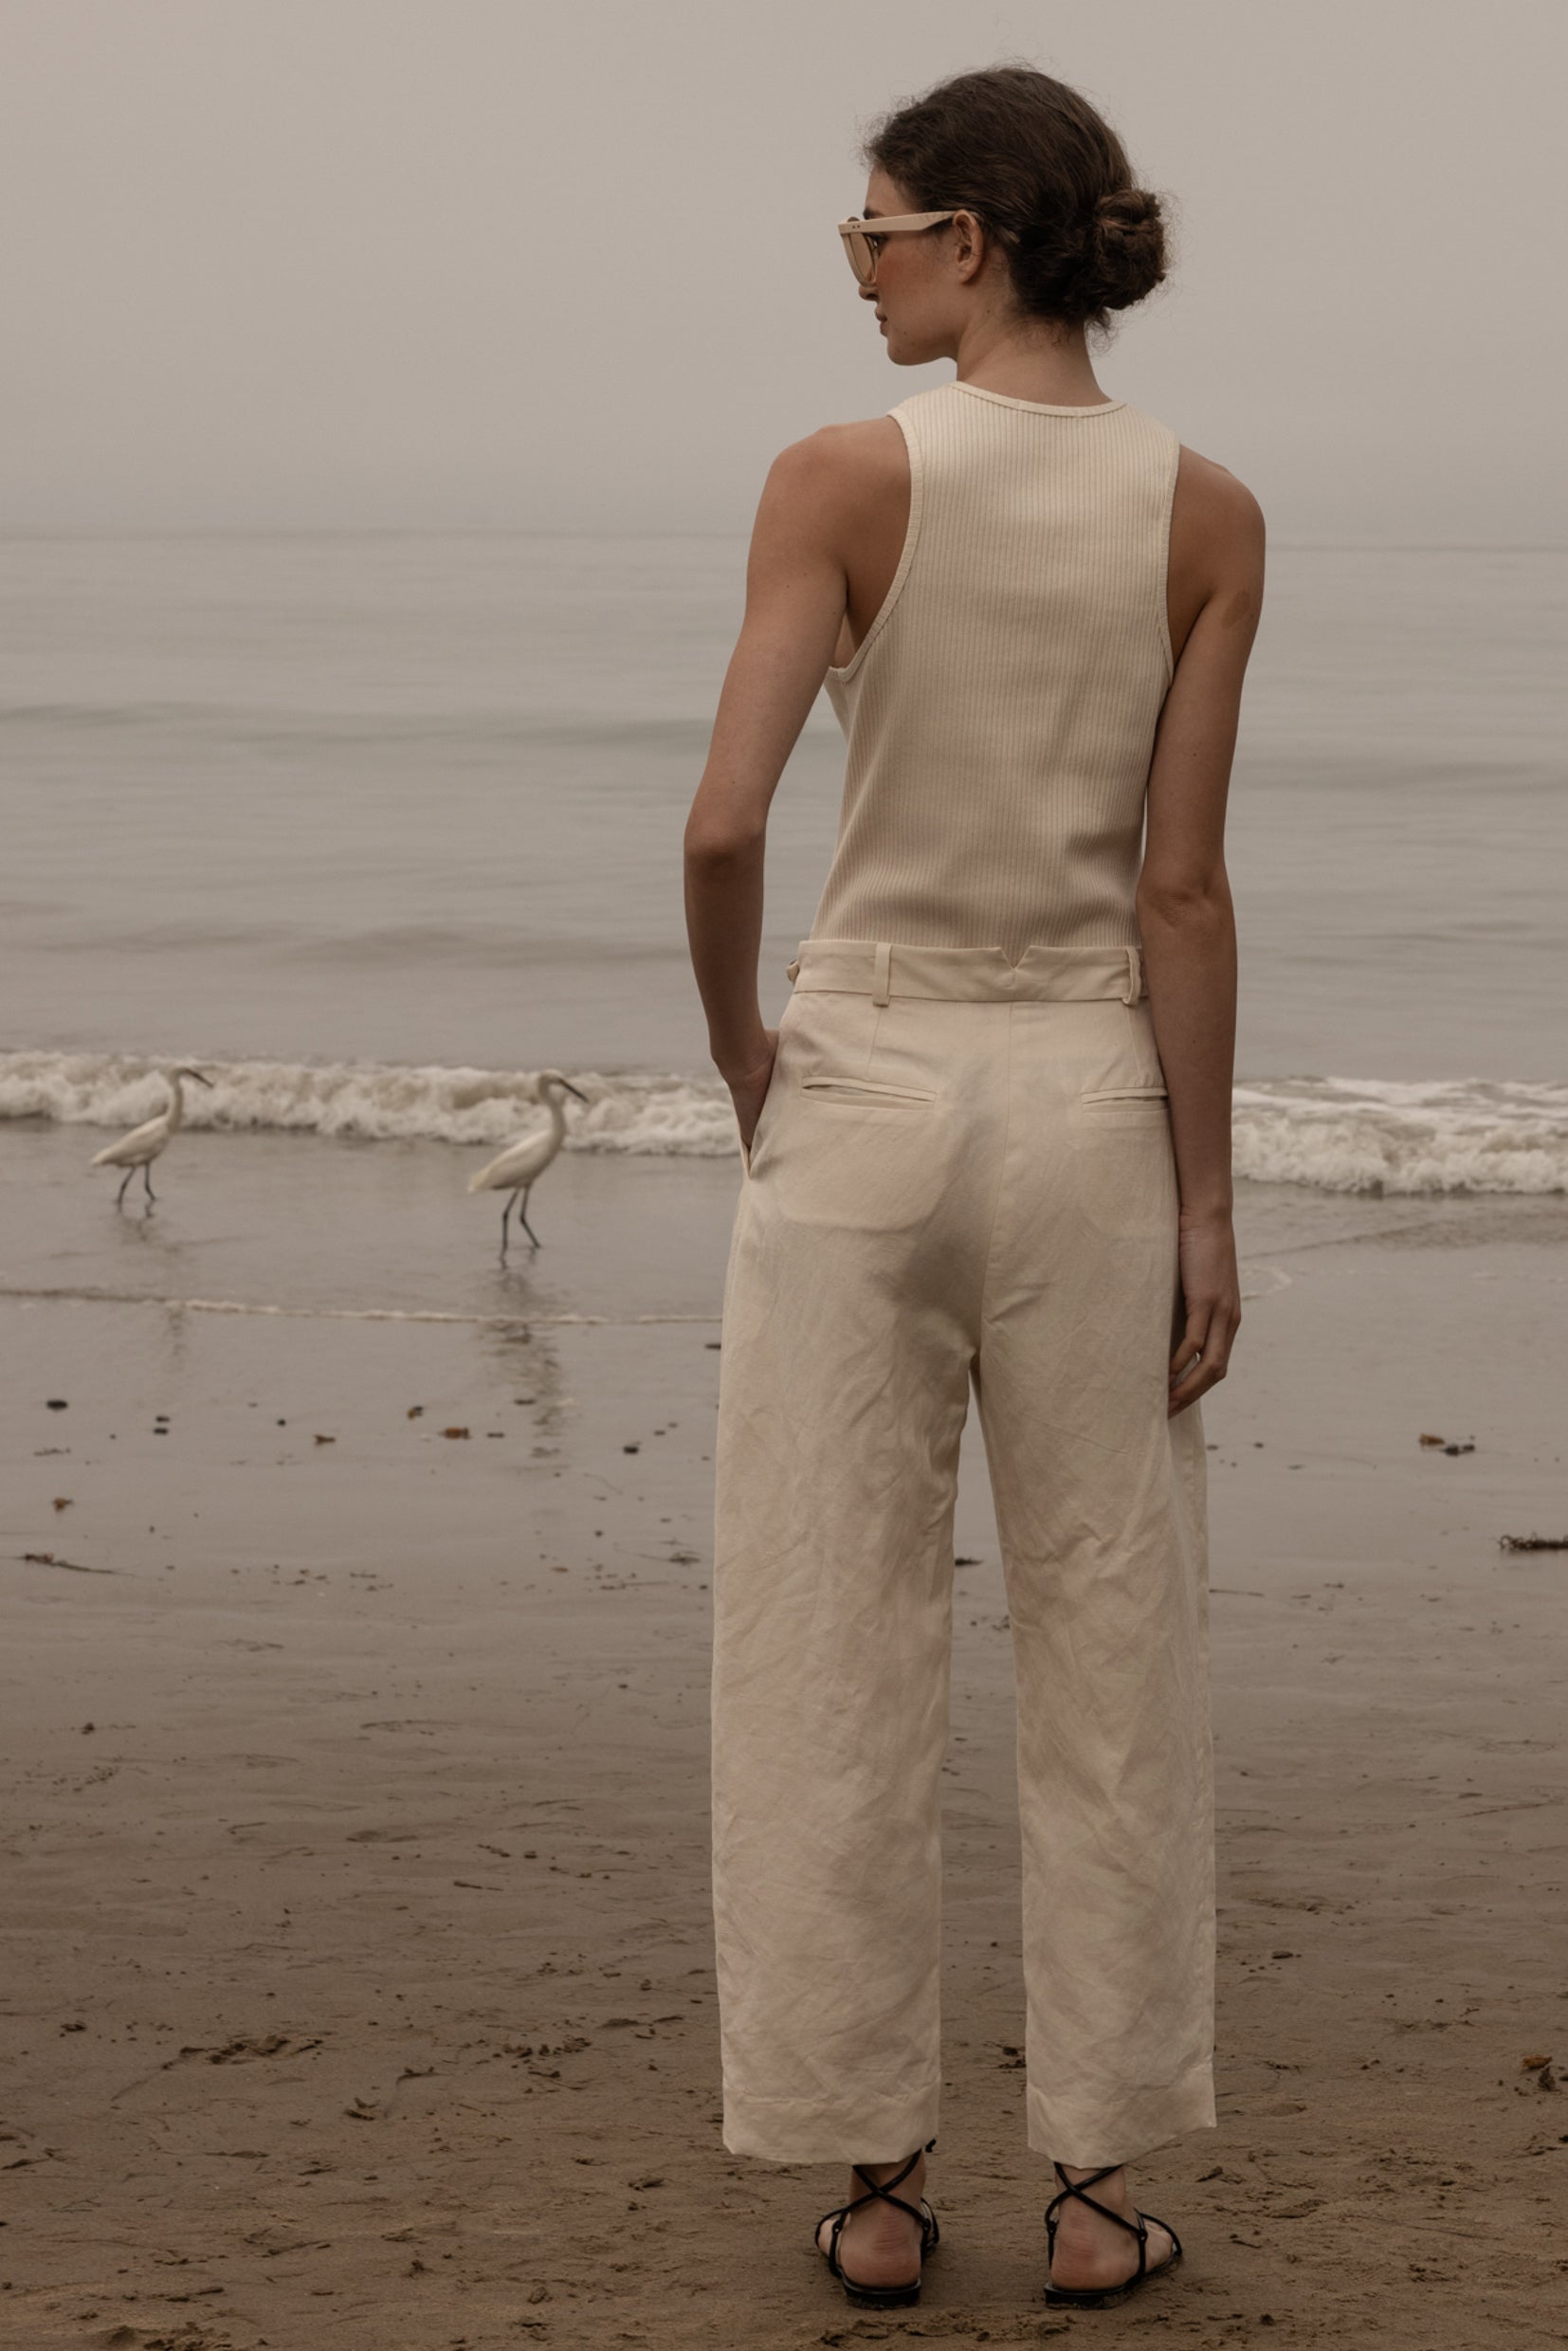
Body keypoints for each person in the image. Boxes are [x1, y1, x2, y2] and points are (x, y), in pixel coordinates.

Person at [684, 64, 1264, 2314]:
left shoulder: (836, 478)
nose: (855, 272)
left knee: (827, 1635)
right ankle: (1097, 2189)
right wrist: (1205, 1205)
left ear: (971, 241)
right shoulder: (1205, 514)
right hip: (1090, 1105)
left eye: (871, 233)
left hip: (864, 1091)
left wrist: (746, 1048)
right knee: (1112, 1641)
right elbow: (1179, 890)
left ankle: (873, 2184)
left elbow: (724, 822)